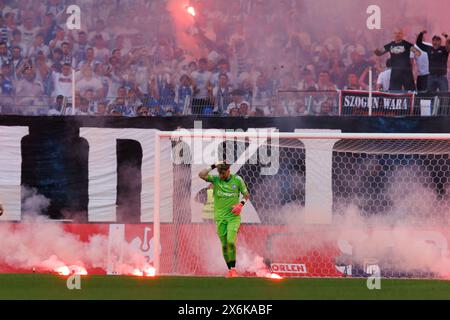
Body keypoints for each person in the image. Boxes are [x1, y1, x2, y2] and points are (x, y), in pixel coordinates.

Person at [198, 162, 250, 278]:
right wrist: (214, 165)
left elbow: (246, 194)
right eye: (220, 173)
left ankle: (233, 269)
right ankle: (230, 270)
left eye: (223, 173)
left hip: (233, 217)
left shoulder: (237, 180)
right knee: (224, 245)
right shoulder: (216, 179)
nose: (221, 176)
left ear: (228, 171)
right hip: (220, 218)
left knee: (231, 242)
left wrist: (240, 205)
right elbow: (201, 175)